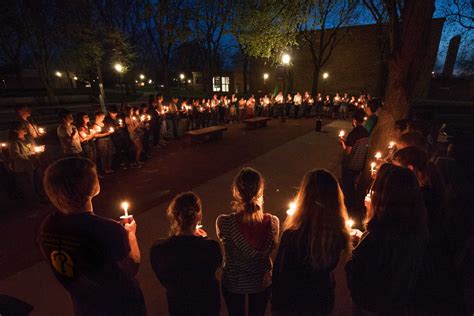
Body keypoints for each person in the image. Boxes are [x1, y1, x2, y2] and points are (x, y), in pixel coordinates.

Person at [38, 157, 145, 315]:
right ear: (91, 186)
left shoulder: (48, 226)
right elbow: (130, 268)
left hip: (84, 305)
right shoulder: (108, 229)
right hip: (120, 305)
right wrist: (130, 235)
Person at [345, 164, 429, 314]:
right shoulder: (415, 228)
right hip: (398, 303)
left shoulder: (380, 236)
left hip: (371, 306)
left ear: (384, 197)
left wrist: (355, 247)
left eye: (376, 191)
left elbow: (358, 274)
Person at [272, 169, 351, 315]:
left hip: (293, 302)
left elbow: (280, 275)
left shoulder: (292, 236)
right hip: (322, 298)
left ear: (304, 197)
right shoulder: (339, 235)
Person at [216, 168, 279, 316]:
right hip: (260, 282)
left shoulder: (223, 222)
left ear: (236, 192)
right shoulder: (273, 223)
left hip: (233, 283)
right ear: (261, 192)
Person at [150, 192, 222, 315]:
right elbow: (215, 264)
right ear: (199, 216)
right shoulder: (210, 247)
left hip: (179, 304)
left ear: (173, 216)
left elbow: (163, 277)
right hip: (206, 304)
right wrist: (204, 240)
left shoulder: (160, 249)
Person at [8, 121, 45, 209]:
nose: (25, 129)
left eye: (25, 127)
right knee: (29, 187)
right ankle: (33, 205)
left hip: (33, 165)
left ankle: (40, 200)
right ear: (16, 130)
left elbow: (33, 148)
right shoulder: (14, 142)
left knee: (37, 184)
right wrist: (30, 154)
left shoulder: (28, 138)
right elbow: (15, 155)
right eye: (22, 128)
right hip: (23, 168)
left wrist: (39, 150)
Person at [339, 109, 369, 214]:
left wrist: (342, 142)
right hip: (360, 164)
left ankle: (349, 207)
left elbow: (347, 152)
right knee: (353, 186)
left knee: (348, 187)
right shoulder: (365, 132)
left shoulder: (353, 134)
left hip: (350, 165)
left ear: (354, 120)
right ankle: (353, 205)